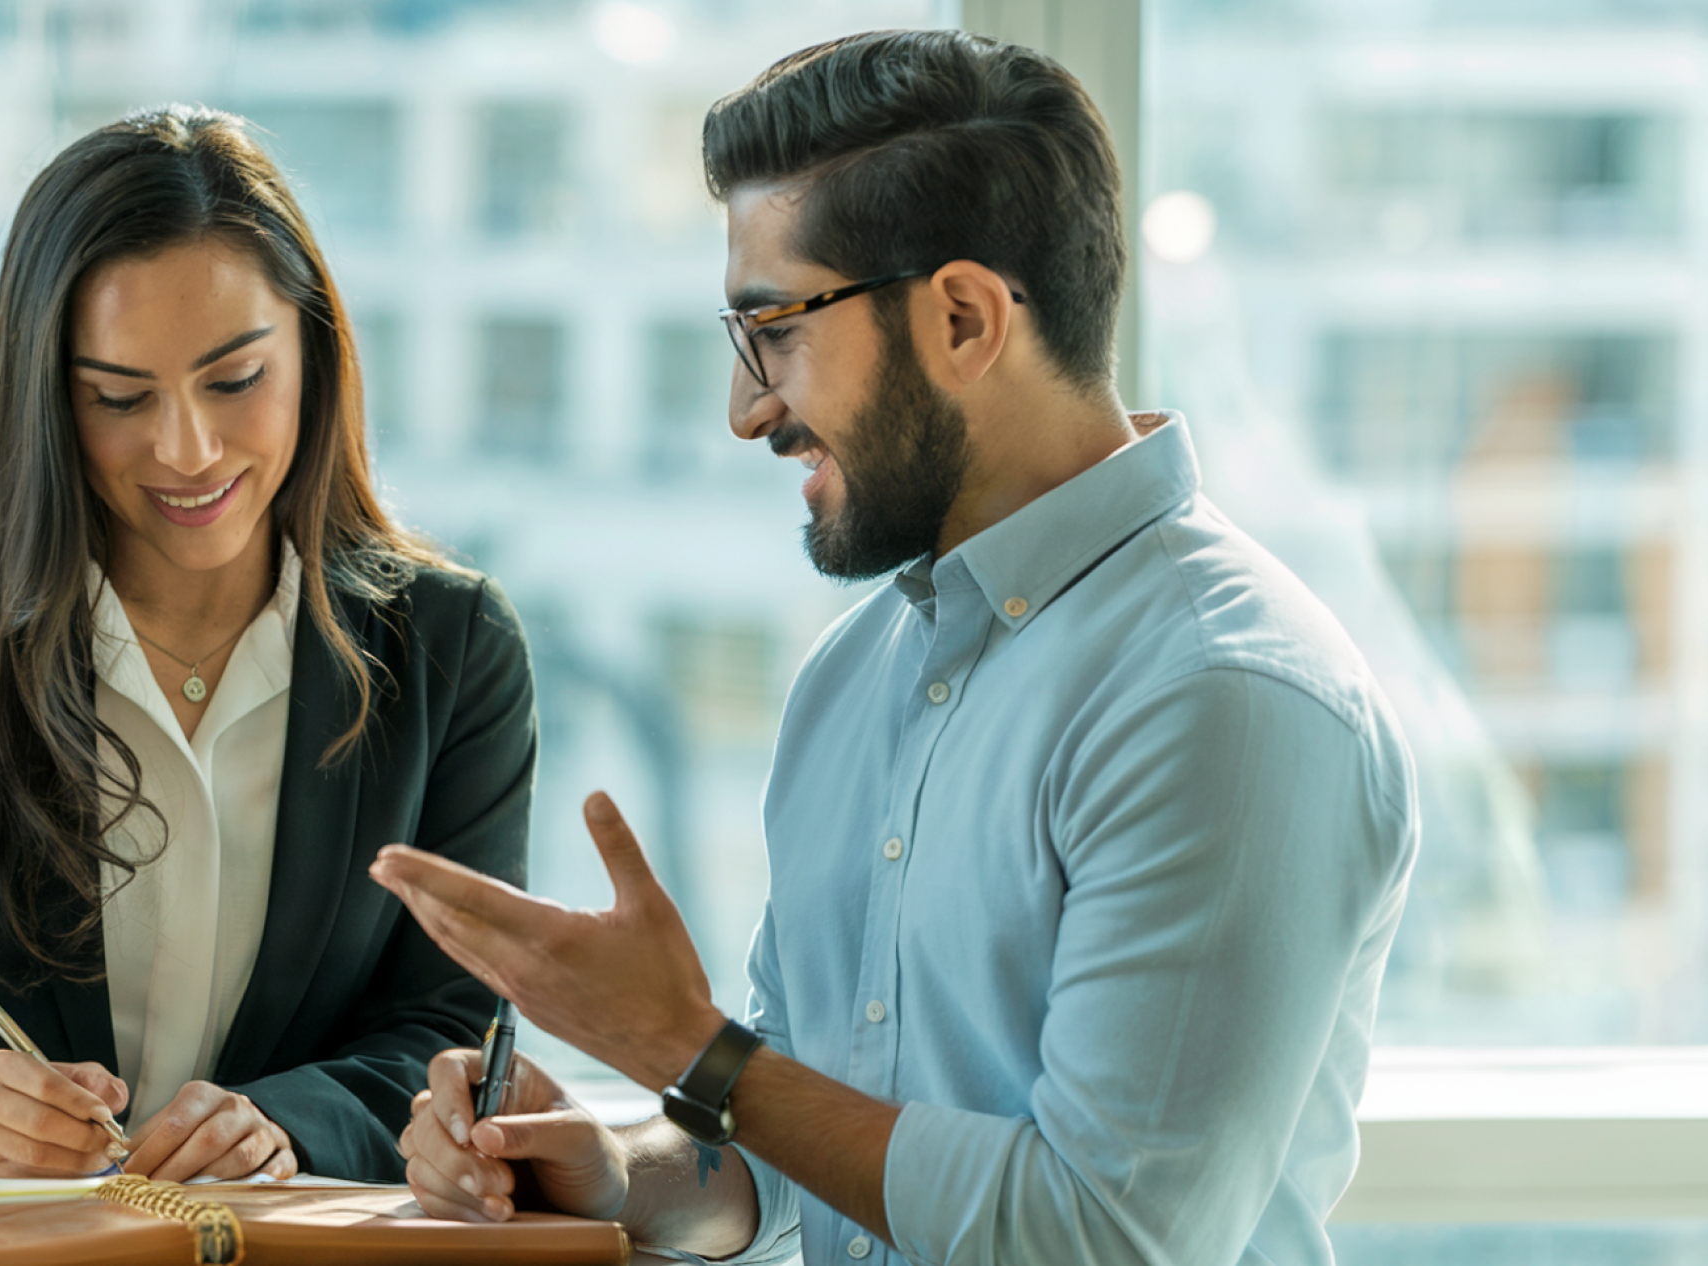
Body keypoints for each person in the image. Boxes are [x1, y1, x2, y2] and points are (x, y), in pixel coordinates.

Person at [370, 29, 1417, 1266]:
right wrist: (618, 1174)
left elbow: (1106, 1236)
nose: (746, 407)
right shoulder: (852, 676)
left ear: (965, 318)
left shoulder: (1224, 698)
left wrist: (690, 1054)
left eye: (777, 330)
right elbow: (796, 1150)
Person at [0, 106, 535, 1183]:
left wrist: (290, 1123)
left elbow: (454, 1036)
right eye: (118, 397)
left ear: (314, 350)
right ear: (44, 397)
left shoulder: (451, 649)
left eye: (236, 381)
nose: (187, 449)